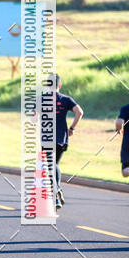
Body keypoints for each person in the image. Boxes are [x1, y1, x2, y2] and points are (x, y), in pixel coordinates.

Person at [54, 74, 83, 208]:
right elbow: (79, 112)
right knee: (54, 164)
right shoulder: (66, 99)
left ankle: (56, 195)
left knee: (50, 165)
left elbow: (32, 117)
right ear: (59, 85)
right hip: (61, 138)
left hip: (46, 138)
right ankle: (57, 189)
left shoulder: (41, 99)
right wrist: (72, 128)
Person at [115, 103, 129, 178]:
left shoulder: (126, 108)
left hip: (127, 143)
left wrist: (118, 130)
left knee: (125, 170)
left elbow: (119, 122)